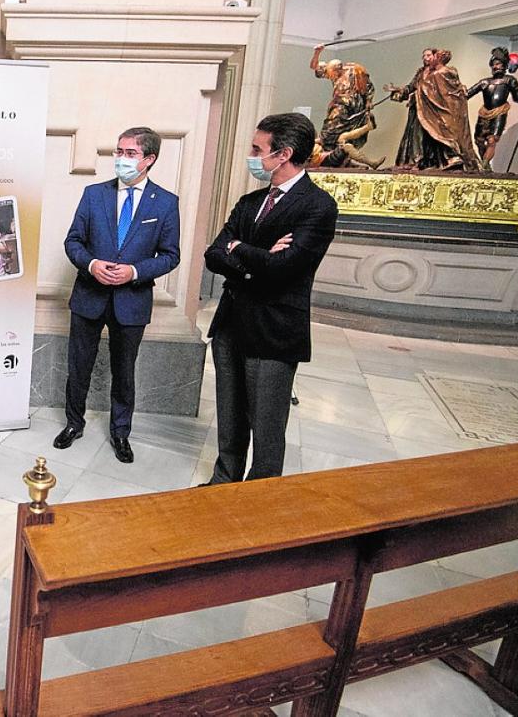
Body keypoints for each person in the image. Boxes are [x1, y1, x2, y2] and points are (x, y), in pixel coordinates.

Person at [203, 113, 338, 484]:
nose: (252, 156)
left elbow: (285, 268)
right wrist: (255, 257)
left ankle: (259, 500)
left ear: (283, 154)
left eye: (257, 149)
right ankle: (224, 481)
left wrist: (240, 249)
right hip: (231, 324)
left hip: (274, 331)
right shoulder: (249, 202)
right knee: (229, 415)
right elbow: (214, 254)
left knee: (266, 424)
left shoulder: (317, 206)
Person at [57, 126, 181, 463]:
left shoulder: (166, 203)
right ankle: (73, 423)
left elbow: (171, 255)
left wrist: (135, 271)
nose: (122, 159)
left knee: (124, 372)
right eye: (119, 152)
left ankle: (120, 433)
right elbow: (73, 242)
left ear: (149, 159)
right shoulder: (93, 195)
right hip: (89, 296)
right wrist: (92, 264)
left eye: (130, 154)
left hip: (132, 301)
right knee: (78, 366)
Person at [388, 48, 481, 171]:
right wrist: (399, 91)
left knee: (439, 132)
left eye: (428, 55)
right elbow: (411, 87)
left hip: (435, 109)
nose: (425, 58)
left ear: (435, 57)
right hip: (419, 109)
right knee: (418, 136)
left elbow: (447, 90)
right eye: (423, 56)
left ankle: (447, 158)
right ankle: (418, 161)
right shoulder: (421, 73)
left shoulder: (442, 72)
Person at [309, 45, 383, 169]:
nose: (331, 76)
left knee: (341, 136)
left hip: (354, 106)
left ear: (338, 69)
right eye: (330, 74)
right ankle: (366, 129)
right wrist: (317, 52)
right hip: (339, 106)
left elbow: (368, 86)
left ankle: (366, 130)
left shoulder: (354, 70)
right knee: (332, 133)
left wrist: (369, 101)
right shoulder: (329, 70)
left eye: (333, 73)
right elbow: (314, 67)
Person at [466, 46, 518, 168]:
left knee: (492, 140)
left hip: (499, 113)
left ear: (504, 65)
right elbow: (467, 94)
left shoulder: (509, 81)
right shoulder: (485, 82)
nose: (495, 67)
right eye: (493, 64)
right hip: (484, 114)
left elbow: (517, 97)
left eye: (498, 64)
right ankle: (486, 166)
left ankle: (484, 164)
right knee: (479, 141)